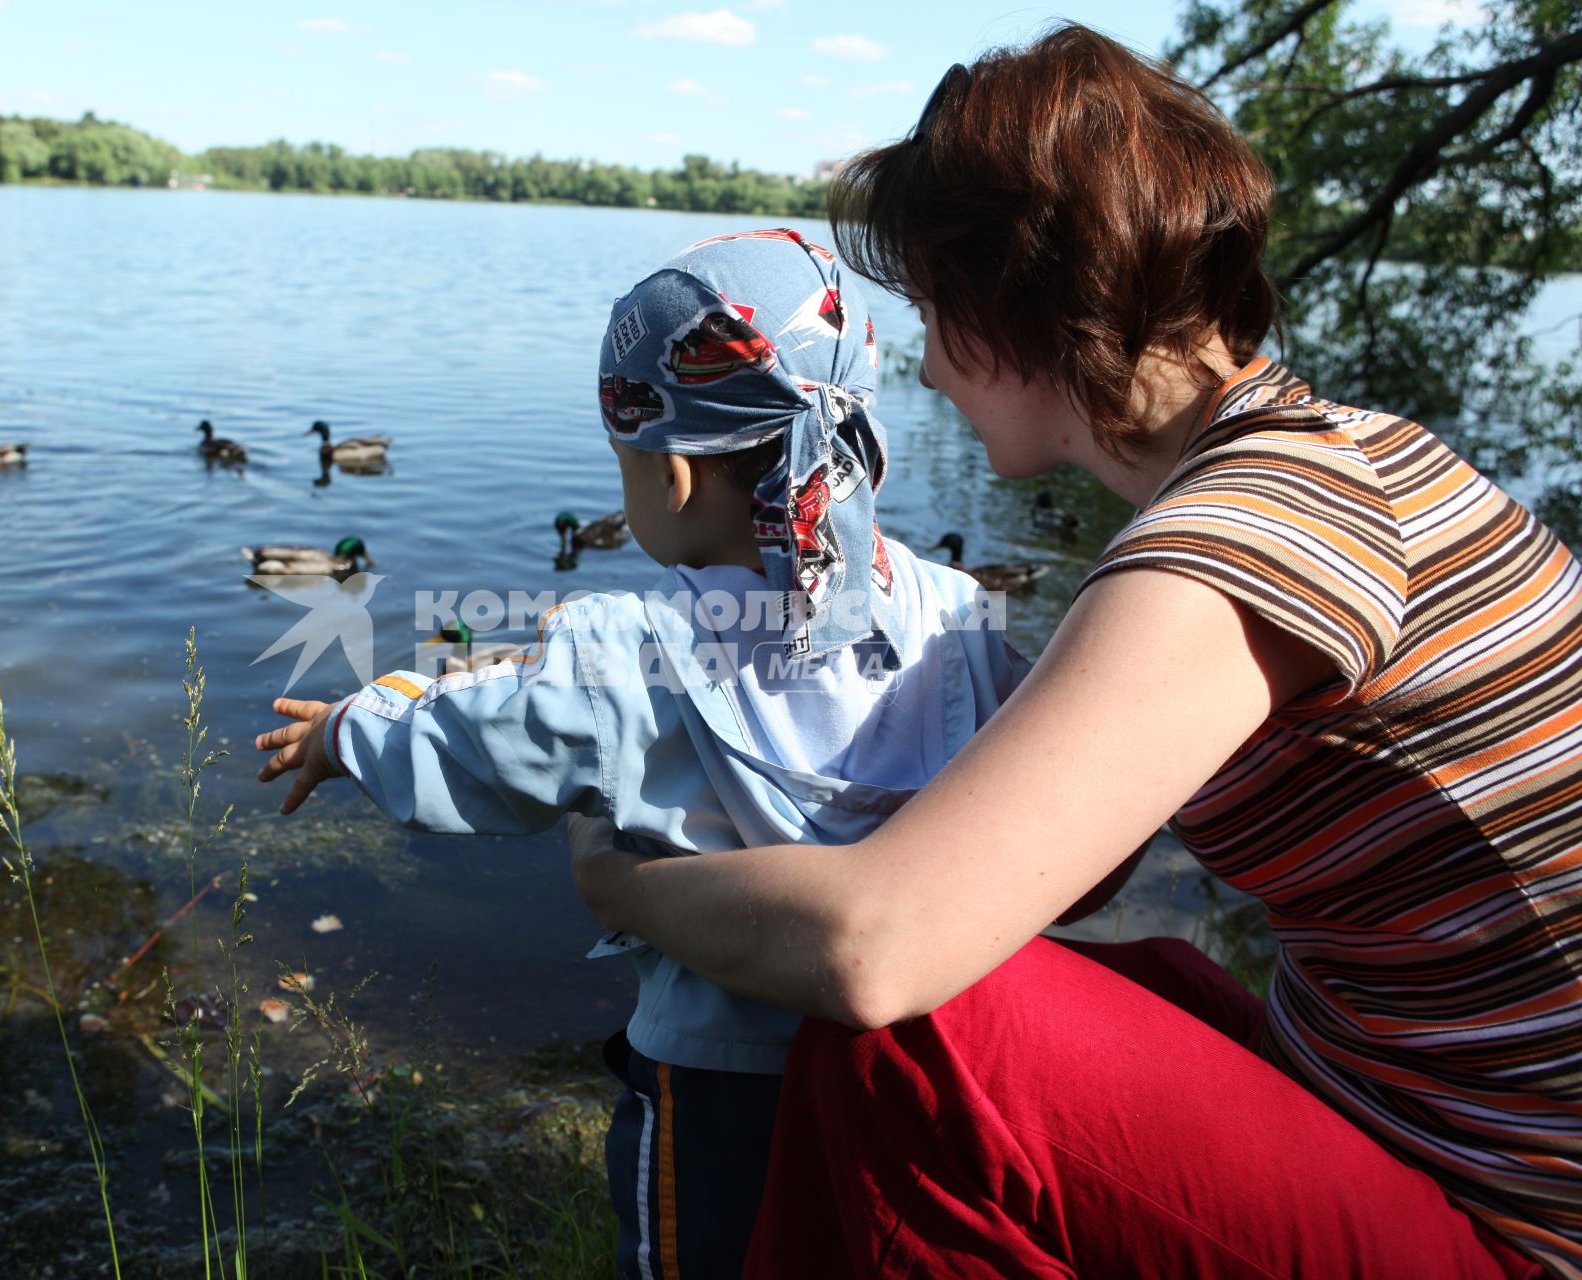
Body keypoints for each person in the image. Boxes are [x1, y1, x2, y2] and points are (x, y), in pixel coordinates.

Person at [569, 24, 1582, 1280]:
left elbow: (873, 948)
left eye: (940, 311)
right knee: (1110, 966)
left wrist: (625, 884)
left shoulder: (1256, 528)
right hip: (1397, 1111)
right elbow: (1077, 875)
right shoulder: (1334, 458)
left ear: (1025, 301)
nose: (930, 369)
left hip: (1509, 1227)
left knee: (923, 1031)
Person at [253, 228, 1030, 1277]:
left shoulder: (625, 650)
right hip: (929, 1056)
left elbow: (476, 740)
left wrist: (352, 726)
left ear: (668, 473)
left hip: (718, 1079)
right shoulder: (957, 615)